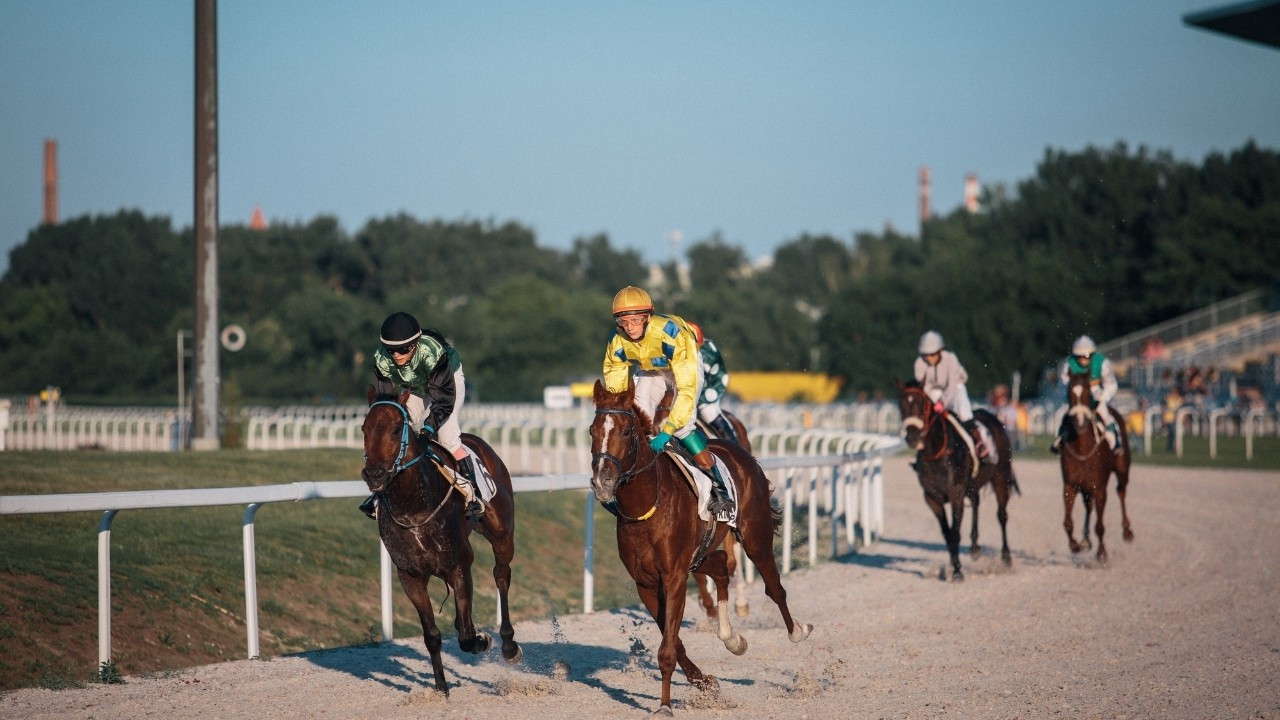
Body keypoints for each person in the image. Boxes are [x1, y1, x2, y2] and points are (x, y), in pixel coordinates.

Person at [603, 286, 735, 515]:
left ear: (647, 317)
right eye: (623, 321)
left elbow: (685, 390)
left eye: (635, 320)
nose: (630, 327)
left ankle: (719, 486)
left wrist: (667, 431)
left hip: (685, 366)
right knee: (631, 420)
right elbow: (616, 387)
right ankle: (624, 486)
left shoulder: (671, 334)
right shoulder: (617, 341)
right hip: (652, 369)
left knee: (683, 425)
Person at [360, 311, 484, 519]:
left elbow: (442, 400)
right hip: (415, 386)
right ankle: (380, 495)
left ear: (415, 344)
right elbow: (386, 402)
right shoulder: (382, 360)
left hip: (447, 381)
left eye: (402, 349)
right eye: (391, 350)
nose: (396, 355)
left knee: (447, 437)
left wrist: (427, 429)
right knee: (395, 430)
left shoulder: (432, 353)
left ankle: (474, 494)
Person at [914, 330, 990, 461]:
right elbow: (924, 388)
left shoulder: (951, 359)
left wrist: (943, 402)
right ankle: (922, 446)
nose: (928, 358)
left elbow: (952, 385)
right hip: (935, 391)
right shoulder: (919, 364)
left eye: (932, 354)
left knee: (963, 410)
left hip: (955, 387)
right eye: (925, 355)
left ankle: (978, 441)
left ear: (939, 351)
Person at [1051, 335, 1122, 455]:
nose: (1083, 359)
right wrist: (1070, 398)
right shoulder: (1068, 364)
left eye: (1087, 355)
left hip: (1095, 393)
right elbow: (1062, 386)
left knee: (1105, 415)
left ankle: (1115, 443)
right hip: (1076, 396)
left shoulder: (1102, 362)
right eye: (1079, 356)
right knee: (1065, 414)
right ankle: (1060, 438)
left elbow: (1111, 384)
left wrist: (1102, 397)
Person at [685, 321, 741, 447]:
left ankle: (734, 445)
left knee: (707, 411)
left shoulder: (707, 353)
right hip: (690, 389)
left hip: (710, 387)